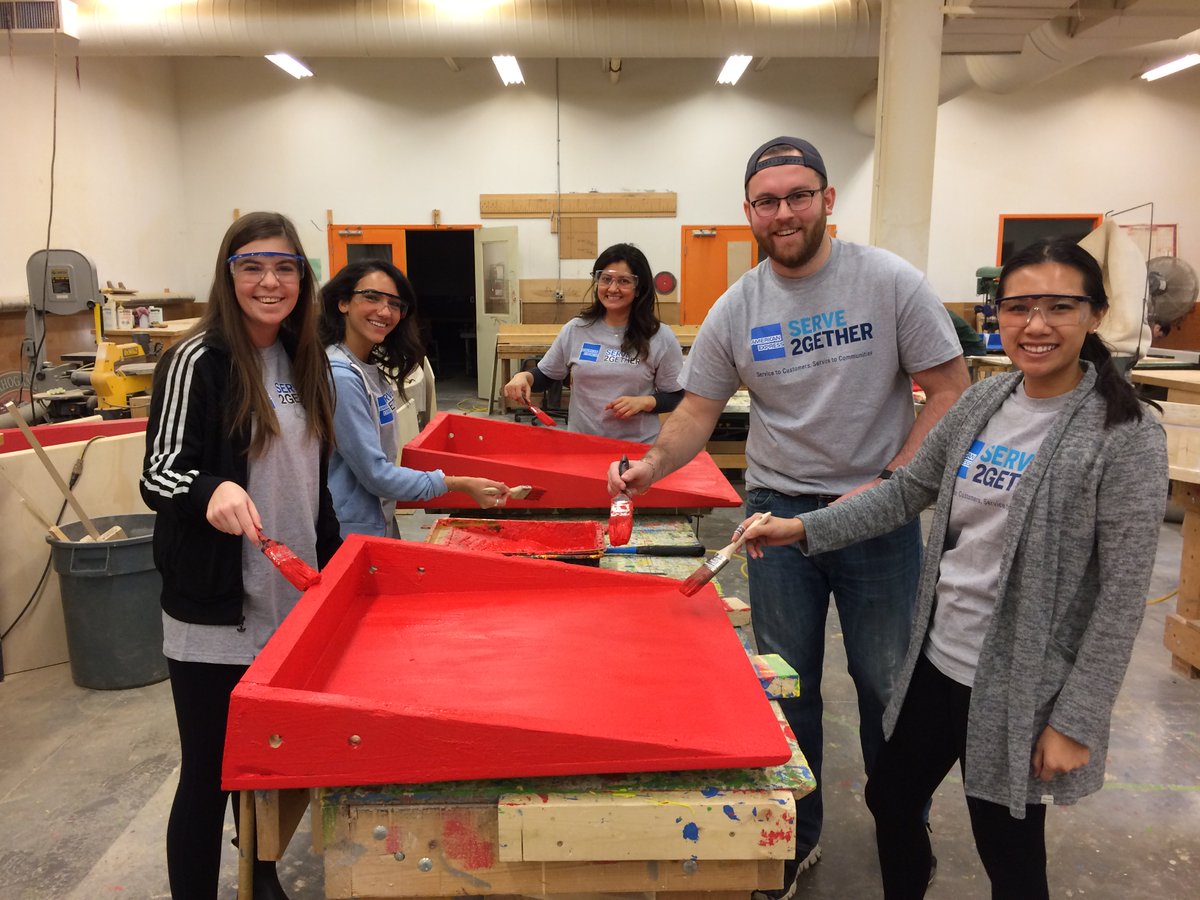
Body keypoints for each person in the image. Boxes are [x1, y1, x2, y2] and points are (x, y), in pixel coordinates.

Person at [739, 237, 1168, 898]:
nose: (1036, 324)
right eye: (1019, 307)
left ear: (1095, 314)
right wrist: (802, 528)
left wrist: (1075, 720)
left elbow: (1121, 596)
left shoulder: (1125, 434)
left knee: (1008, 852)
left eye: (1060, 306)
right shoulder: (984, 402)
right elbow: (906, 491)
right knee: (890, 797)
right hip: (939, 660)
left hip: (1017, 680)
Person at [609, 136, 969, 891]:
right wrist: (651, 464)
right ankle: (797, 835)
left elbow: (949, 390)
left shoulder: (889, 283)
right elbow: (697, 410)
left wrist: (897, 482)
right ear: (748, 212)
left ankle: (902, 827)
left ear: (827, 200)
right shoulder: (738, 307)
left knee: (886, 687)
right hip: (775, 521)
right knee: (789, 684)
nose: (784, 213)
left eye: (799, 196)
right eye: (767, 201)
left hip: (876, 515)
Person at [141, 212, 341, 899]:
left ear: (303, 279)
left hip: (290, 600)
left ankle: (260, 876)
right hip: (218, 608)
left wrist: (335, 571)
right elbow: (160, 472)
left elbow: (313, 484)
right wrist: (210, 489)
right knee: (209, 775)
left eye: (285, 267)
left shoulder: (304, 361)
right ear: (229, 277)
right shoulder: (197, 359)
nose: (269, 282)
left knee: (264, 765)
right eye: (252, 266)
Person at [319, 260, 511, 537]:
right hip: (349, 529)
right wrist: (460, 484)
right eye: (371, 297)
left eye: (395, 304)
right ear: (343, 302)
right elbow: (376, 474)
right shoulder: (342, 376)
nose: (385, 311)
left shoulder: (367, 366)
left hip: (376, 517)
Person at [503, 243, 684, 443]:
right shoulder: (576, 329)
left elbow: (677, 396)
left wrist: (646, 402)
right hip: (582, 445)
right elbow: (546, 375)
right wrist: (524, 377)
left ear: (639, 288)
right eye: (606, 279)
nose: (613, 288)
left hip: (636, 449)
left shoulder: (660, 337)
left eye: (624, 281)